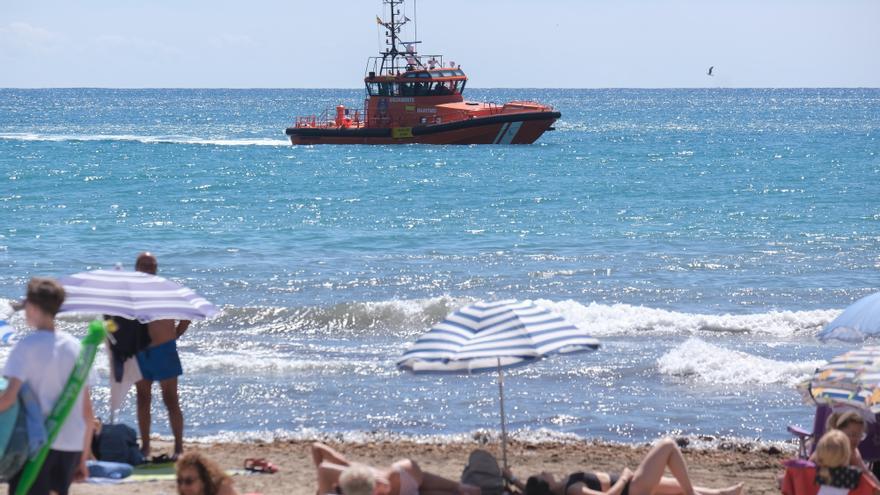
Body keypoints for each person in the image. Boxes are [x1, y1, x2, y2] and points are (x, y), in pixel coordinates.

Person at [0, 277, 95, 495]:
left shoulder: (25, 348)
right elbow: (87, 412)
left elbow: (8, 399)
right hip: (71, 445)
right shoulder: (76, 347)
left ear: (33, 308)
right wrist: (84, 458)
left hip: (37, 443)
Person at [505, 437, 743, 495]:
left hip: (631, 484)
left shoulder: (556, 488)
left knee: (680, 486)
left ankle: (723, 493)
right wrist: (625, 476)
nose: (545, 471)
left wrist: (512, 478)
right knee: (668, 445)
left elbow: (530, 490)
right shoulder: (572, 489)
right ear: (546, 484)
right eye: (542, 474)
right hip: (631, 487)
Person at [132, 252, 191, 459]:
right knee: (142, 399)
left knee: (171, 399)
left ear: (156, 268)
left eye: (151, 265)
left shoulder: (168, 289)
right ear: (136, 268)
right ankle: (146, 447)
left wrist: (175, 335)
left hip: (164, 350)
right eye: (144, 265)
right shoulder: (130, 292)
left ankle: (178, 448)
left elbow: (187, 315)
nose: (148, 268)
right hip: (140, 352)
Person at [311, 442, 480, 495]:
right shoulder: (349, 470)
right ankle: (460, 487)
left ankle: (460, 488)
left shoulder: (348, 477)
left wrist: (321, 489)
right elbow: (316, 448)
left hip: (401, 483)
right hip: (398, 476)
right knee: (419, 481)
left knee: (422, 487)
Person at [815, 410, 880, 487]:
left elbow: (867, 474)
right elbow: (811, 471)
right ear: (839, 431)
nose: (855, 439)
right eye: (852, 434)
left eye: (860, 436)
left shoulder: (853, 452)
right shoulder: (830, 447)